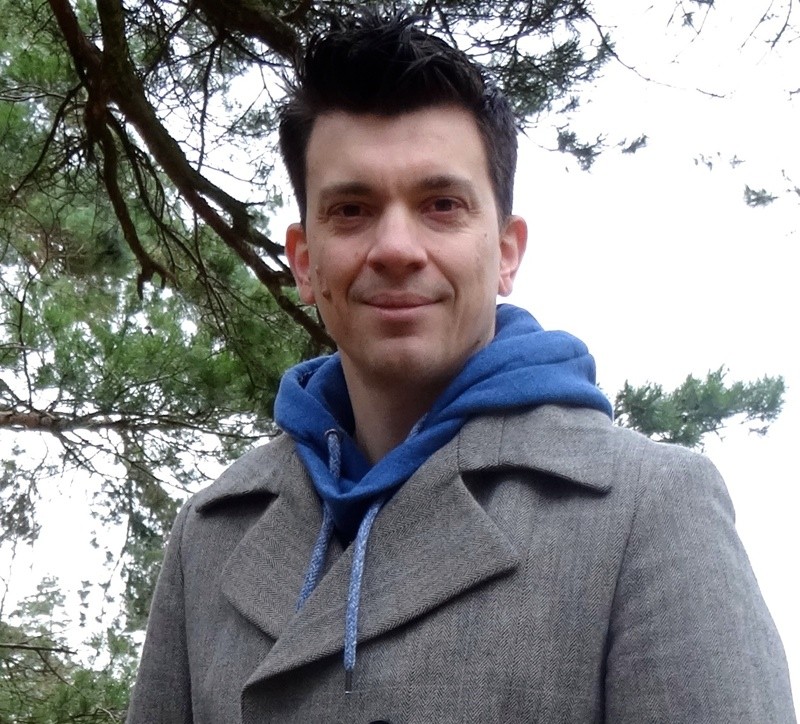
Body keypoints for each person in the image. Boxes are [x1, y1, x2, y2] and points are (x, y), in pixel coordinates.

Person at [127, 9, 796, 724]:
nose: (395, 248)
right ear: (304, 261)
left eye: (441, 205)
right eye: (351, 210)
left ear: (506, 253)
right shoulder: (210, 535)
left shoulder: (650, 508)